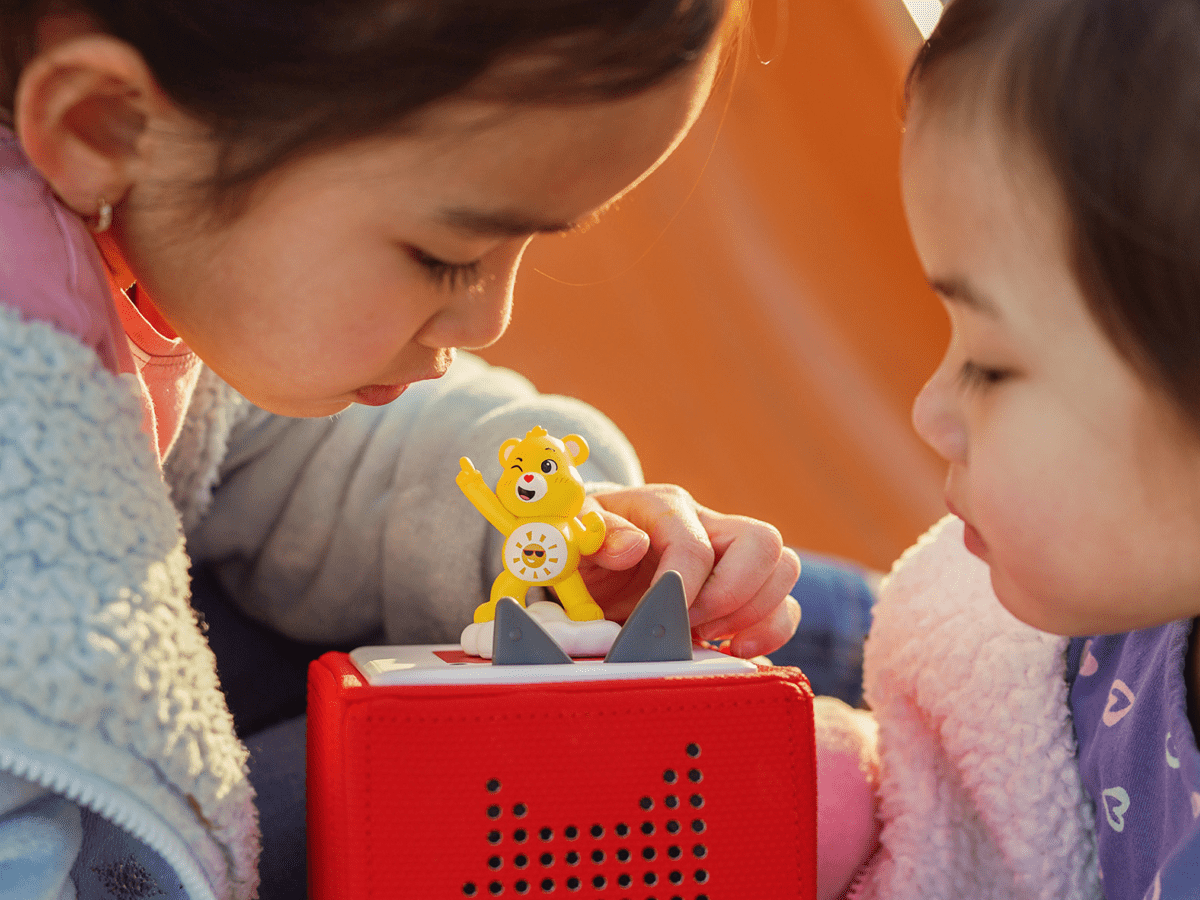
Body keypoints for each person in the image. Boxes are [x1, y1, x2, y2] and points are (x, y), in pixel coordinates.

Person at [0, 2, 809, 898]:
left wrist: (548, 545)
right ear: (107, 124)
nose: (490, 319)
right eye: (441, 256)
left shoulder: (157, 251)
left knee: (782, 603)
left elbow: (292, 452)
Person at [811, 0, 1200, 897]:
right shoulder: (1130, 604)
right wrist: (732, 601)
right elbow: (934, 640)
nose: (930, 413)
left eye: (988, 363)